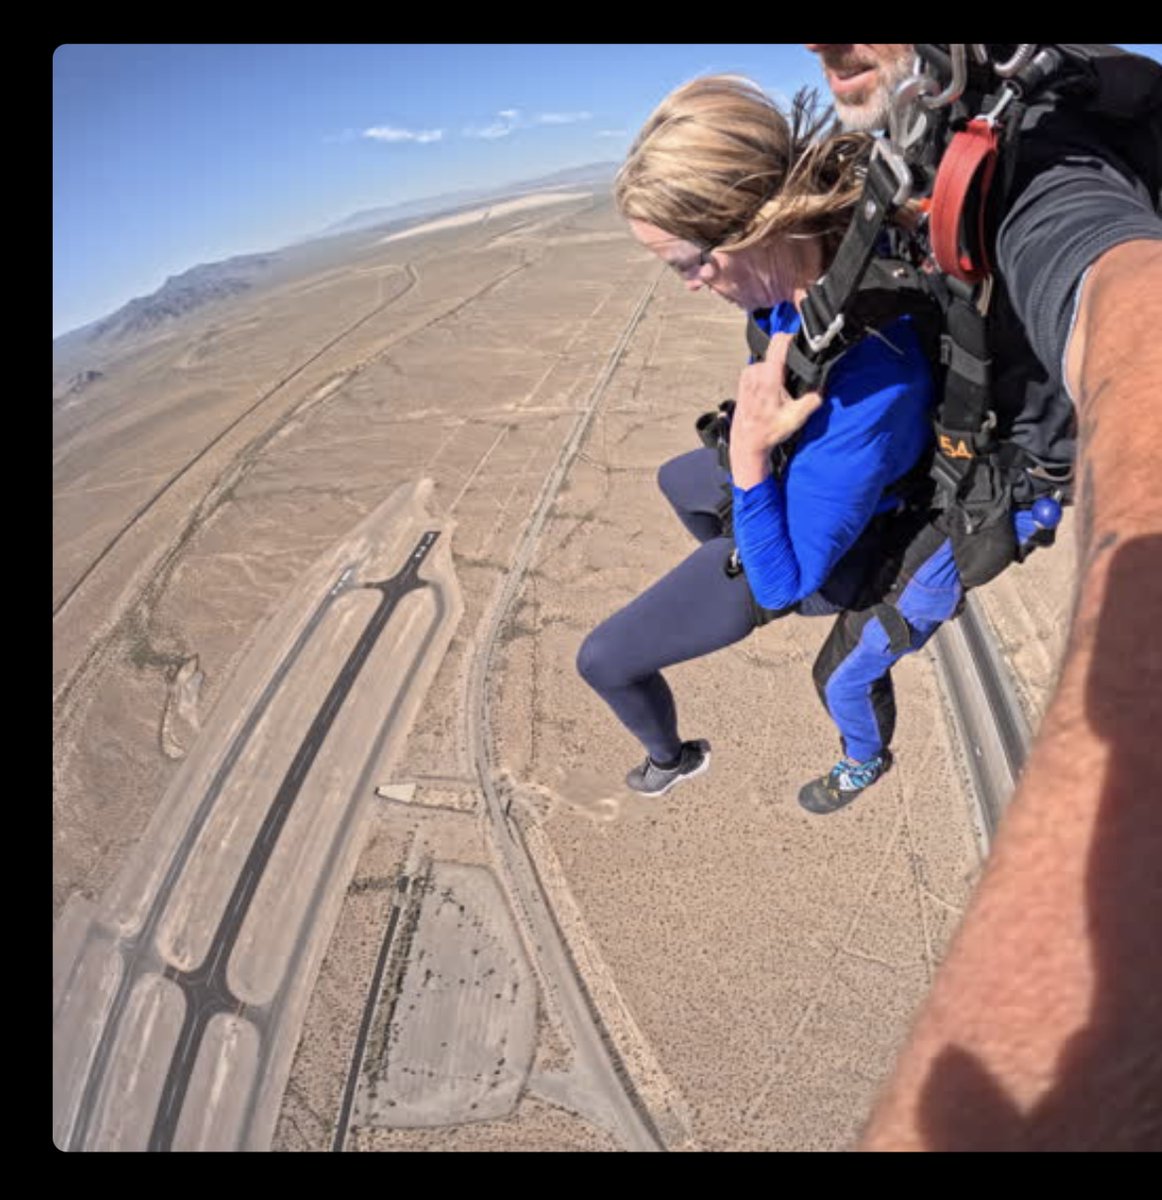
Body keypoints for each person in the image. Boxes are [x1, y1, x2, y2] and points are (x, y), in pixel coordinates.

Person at [800, 42, 1162, 1151]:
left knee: (851, 664)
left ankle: (864, 755)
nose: (826, 49)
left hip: (1000, 497)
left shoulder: (1035, 165)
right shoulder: (928, 165)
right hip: (970, 469)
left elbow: (1110, 282)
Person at [576, 74, 1020, 814]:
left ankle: (686, 759)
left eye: (690, 263)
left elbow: (785, 580)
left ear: (750, 227)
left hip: (834, 541)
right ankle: (735, 553)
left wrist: (750, 463)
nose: (688, 285)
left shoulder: (867, 388)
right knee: (675, 479)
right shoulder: (819, 271)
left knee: (610, 661)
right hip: (802, 472)